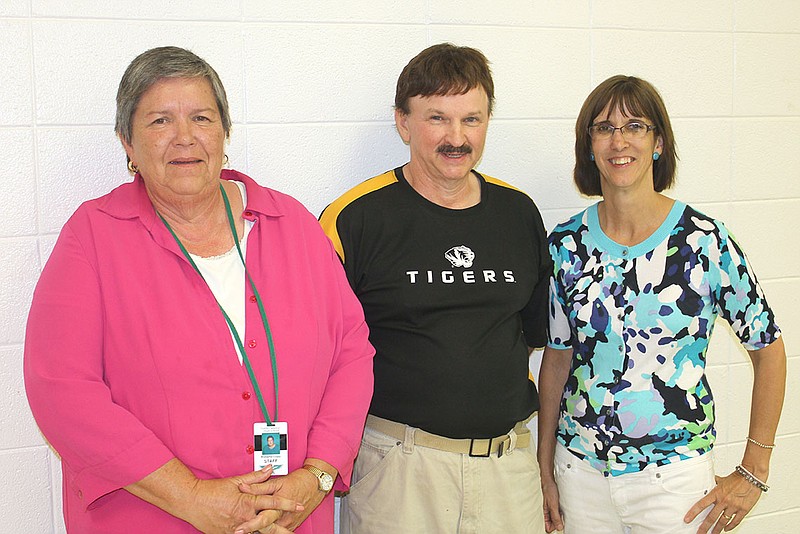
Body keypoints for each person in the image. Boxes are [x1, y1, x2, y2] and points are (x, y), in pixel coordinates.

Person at [24, 46, 374, 534]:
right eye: (160, 121)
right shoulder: (93, 237)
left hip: (290, 516)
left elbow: (353, 353)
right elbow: (61, 390)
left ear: (224, 132)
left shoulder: (291, 223)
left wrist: (316, 476)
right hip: (151, 519)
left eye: (202, 118)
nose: (184, 137)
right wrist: (190, 498)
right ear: (127, 143)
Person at [537, 75, 786, 534]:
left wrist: (755, 467)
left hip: (675, 484)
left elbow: (768, 350)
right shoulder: (564, 245)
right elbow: (557, 358)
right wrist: (545, 467)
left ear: (658, 143)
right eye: (604, 127)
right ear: (588, 145)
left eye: (635, 125)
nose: (619, 140)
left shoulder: (704, 241)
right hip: (580, 476)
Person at [319, 42, 550, 533]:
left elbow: (531, 334)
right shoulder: (355, 219)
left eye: (472, 119)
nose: (456, 138)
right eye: (437, 118)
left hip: (508, 470)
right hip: (399, 473)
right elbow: (322, 355)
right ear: (403, 122)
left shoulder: (519, 214)